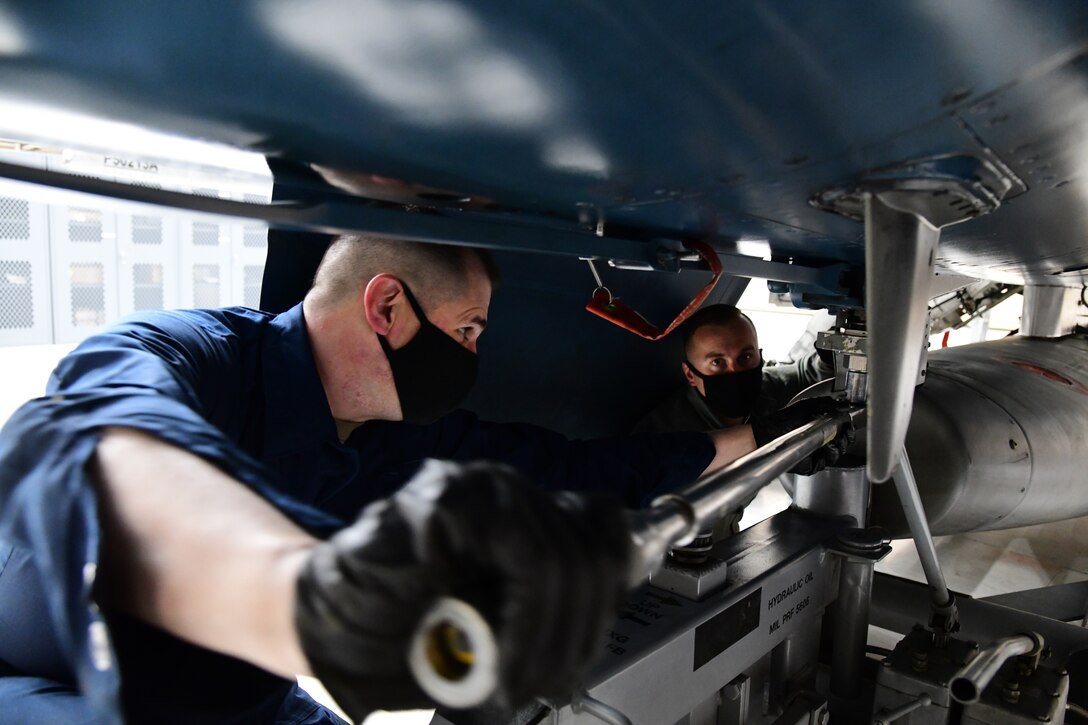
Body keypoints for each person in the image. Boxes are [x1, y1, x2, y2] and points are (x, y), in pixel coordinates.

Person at [0, 235, 845, 724]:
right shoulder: (189, 355)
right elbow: (95, 438)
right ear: (386, 308)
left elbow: (561, 466)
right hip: (55, 689)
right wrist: (312, 596)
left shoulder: (386, 436)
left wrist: (739, 441)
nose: (475, 357)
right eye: (470, 330)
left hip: (239, 702)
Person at [634, 303, 838, 533]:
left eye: (745, 357)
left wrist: (829, 358)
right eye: (717, 362)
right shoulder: (665, 437)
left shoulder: (766, 391)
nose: (734, 371)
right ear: (690, 374)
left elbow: (805, 375)